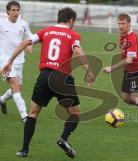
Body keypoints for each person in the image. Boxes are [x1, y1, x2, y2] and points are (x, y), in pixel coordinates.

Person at [2, 7, 95, 157]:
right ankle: (64, 138)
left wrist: (9, 62)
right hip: (62, 78)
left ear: (59, 18)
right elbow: (77, 51)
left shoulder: (45, 31)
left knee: (32, 113)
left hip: (44, 76)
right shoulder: (73, 34)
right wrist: (88, 70)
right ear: (71, 21)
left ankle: (24, 150)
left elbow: (24, 43)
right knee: (75, 113)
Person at [103, 13, 138, 129]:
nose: (120, 26)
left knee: (135, 98)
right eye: (119, 23)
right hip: (128, 71)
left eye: (123, 24)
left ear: (129, 24)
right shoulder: (123, 35)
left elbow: (129, 60)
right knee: (125, 98)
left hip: (136, 70)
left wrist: (112, 68)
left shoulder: (132, 38)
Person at [0, 1, 32, 121]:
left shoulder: (23, 24)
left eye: (18, 10)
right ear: (8, 11)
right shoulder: (1, 24)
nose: (16, 12)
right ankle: (25, 116)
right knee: (15, 85)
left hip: (19, 60)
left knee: (18, 86)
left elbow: (29, 37)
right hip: (4, 61)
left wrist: (29, 45)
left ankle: (2, 99)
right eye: (13, 10)